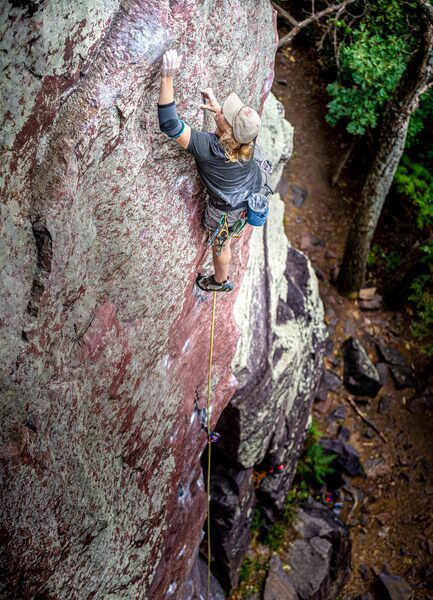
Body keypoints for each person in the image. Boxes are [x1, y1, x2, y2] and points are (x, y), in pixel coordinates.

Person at [158, 49, 265, 292]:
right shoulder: (249, 139)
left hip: (225, 211)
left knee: (221, 244)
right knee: (226, 239)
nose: (223, 111)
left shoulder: (209, 148)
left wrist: (167, 78)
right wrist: (219, 112)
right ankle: (221, 275)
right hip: (250, 194)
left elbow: (169, 124)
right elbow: (238, 130)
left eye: (227, 116)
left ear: (227, 131)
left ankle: (220, 282)